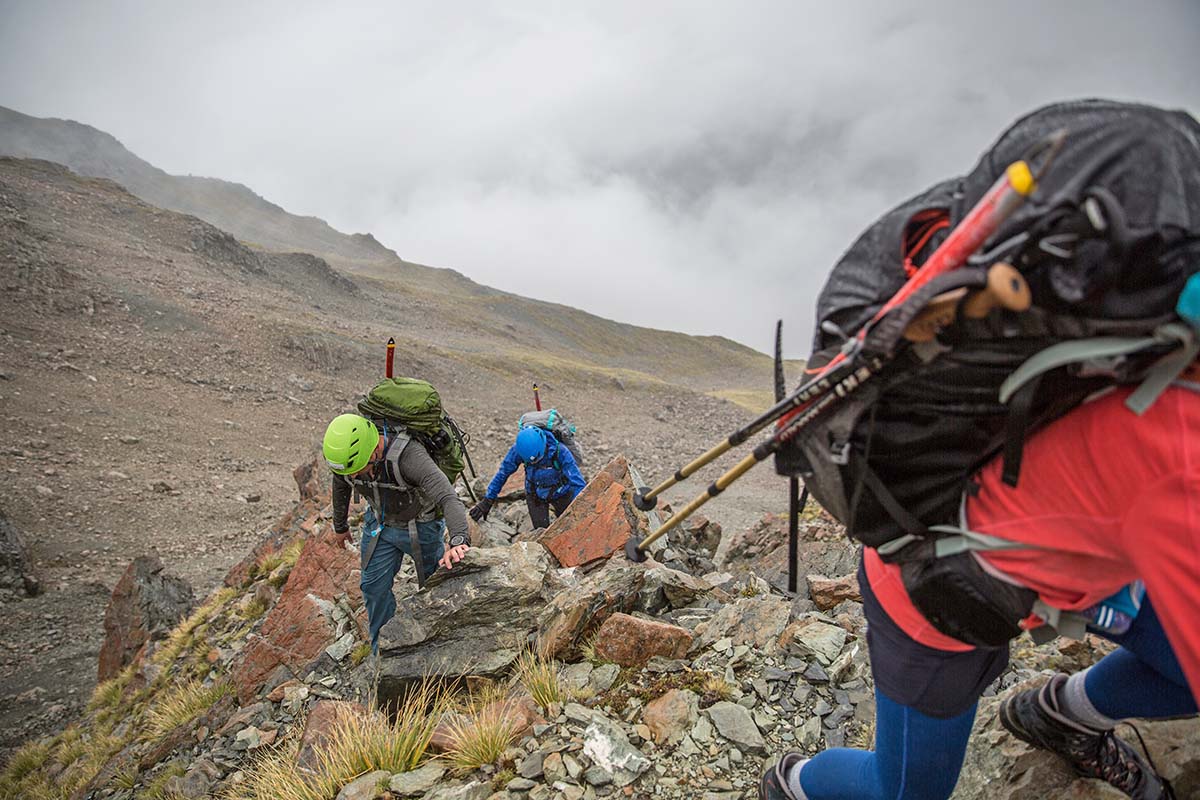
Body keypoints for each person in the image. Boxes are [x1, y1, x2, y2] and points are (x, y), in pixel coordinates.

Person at [323, 412, 471, 650]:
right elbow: (340, 483)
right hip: (379, 525)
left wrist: (458, 540)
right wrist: (340, 526)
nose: (351, 476)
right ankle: (383, 650)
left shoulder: (410, 456)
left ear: (373, 450)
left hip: (421, 527)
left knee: (433, 587)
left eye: (357, 469)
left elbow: (447, 497)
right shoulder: (348, 461)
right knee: (373, 587)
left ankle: (438, 646)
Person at [469, 426, 586, 529]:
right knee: (541, 531)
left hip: (562, 493)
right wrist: (488, 500)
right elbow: (503, 473)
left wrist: (581, 508)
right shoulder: (518, 450)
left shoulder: (560, 451)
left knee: (568, 527)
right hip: (535, 494)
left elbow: (577, 482)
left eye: (536, 460)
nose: (534, 463)